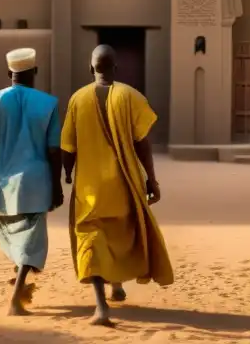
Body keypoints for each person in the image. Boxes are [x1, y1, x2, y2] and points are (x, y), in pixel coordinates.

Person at [61, 44, 174, 326]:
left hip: (90, 189)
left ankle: (101, 306)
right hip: (124, 185)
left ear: (91, 68)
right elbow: (142, 143)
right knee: (120, 236)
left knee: (92, 240)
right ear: (116, 68)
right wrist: (151, 178)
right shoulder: (130, 96)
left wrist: (66, 173)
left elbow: (67, 146)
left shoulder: (78, 99)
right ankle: (117, 285)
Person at [0, 47, 64, 316]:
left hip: (6, 183)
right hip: (38, 182)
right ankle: (16, 298)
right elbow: (53, 150)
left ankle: (19, 278)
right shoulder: (48, 103)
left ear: (9, 73)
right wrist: (58, 184)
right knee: (32, 240)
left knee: (18, 234)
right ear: (34, 71)